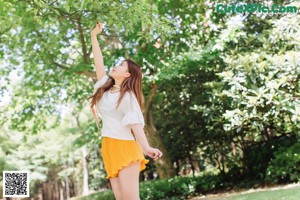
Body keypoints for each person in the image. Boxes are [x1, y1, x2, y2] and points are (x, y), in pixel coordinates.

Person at [87, 22, 163, 200]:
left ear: (127, 75)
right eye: (119, 63)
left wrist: (146, 148)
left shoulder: (128, 96)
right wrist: (93, 36)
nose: (116, 66)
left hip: (126, 147)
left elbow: (136, 125)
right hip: (108, 147)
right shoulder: (104, 88)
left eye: (121, 66)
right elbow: (98, 61)